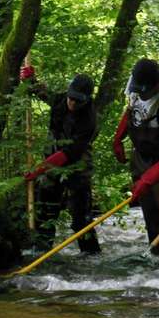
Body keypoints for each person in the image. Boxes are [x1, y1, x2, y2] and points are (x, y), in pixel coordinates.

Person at [112, 58, 159, 259]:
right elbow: (130, 109)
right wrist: (118, 138)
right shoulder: (137, 83)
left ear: (156, 85)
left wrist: (147, 180)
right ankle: (155, 263)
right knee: (150, 214)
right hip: (142, 157)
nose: (140, 94)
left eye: (145, 92)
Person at [20, 65, 101, 254]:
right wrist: (30, 80)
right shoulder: (60, 100)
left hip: (78, 166)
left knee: (81, 218)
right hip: (52, 161)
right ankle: (41, 251)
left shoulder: (89, 120)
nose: (72, 103)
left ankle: (91, 256)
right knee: (45, 210)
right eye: (70, 97)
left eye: (77, 100)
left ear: (87, 99)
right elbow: (42, 92)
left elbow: (70, 153)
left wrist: (39, 169)